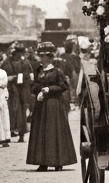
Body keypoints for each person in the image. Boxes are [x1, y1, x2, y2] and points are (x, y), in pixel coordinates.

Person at [27, 42, 77, 171]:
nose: (41, 58)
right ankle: (42, 162)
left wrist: (49, 89)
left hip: (53, 105)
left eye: (43, 56)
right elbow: (34, 86)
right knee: (41, 132)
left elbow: (63, 86)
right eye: (40, 56)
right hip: (41, 105)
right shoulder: (38, 71)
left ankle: (57, 162)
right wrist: (36, 87)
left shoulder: (56, 72)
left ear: (49, 57)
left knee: (53, 131)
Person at [4, 44, 32, 141]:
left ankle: (21, 135)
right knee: (11, 111)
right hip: (11, 90)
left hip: (22, 91)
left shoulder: (24, 62)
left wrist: (20, 78)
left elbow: (28, 75)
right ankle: (10, 133)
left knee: (21, 113)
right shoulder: (8, 61)